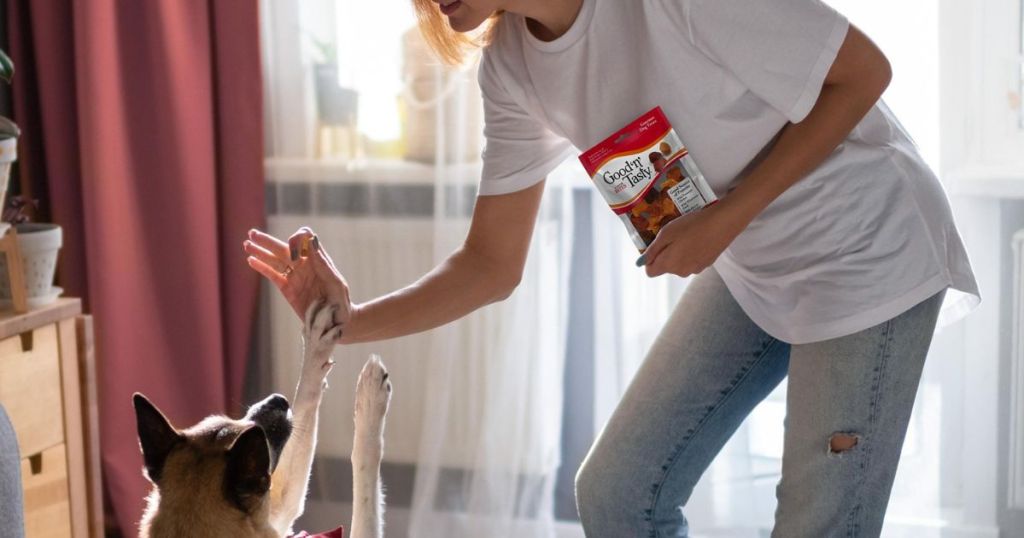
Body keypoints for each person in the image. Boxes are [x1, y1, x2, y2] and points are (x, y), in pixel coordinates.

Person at [243, 0, 980, 536]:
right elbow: (489, 265)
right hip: (755, 262)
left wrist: (723, 218)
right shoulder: (511, 66)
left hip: (865, 249)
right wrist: (340, 323)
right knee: (619, 492)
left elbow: (863, 73)